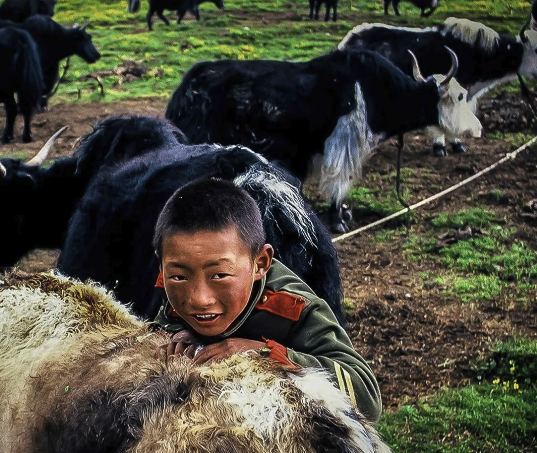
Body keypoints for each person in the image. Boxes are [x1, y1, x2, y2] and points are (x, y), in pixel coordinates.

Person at [152, 178, 382, 422]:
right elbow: (160, 327)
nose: (199, 299)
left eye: (219, 275)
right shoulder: (174, 286)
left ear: (260, 264)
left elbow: (367, 397)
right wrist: (180, 334)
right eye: (178, 276)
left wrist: (265, 354)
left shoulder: (293, 308)